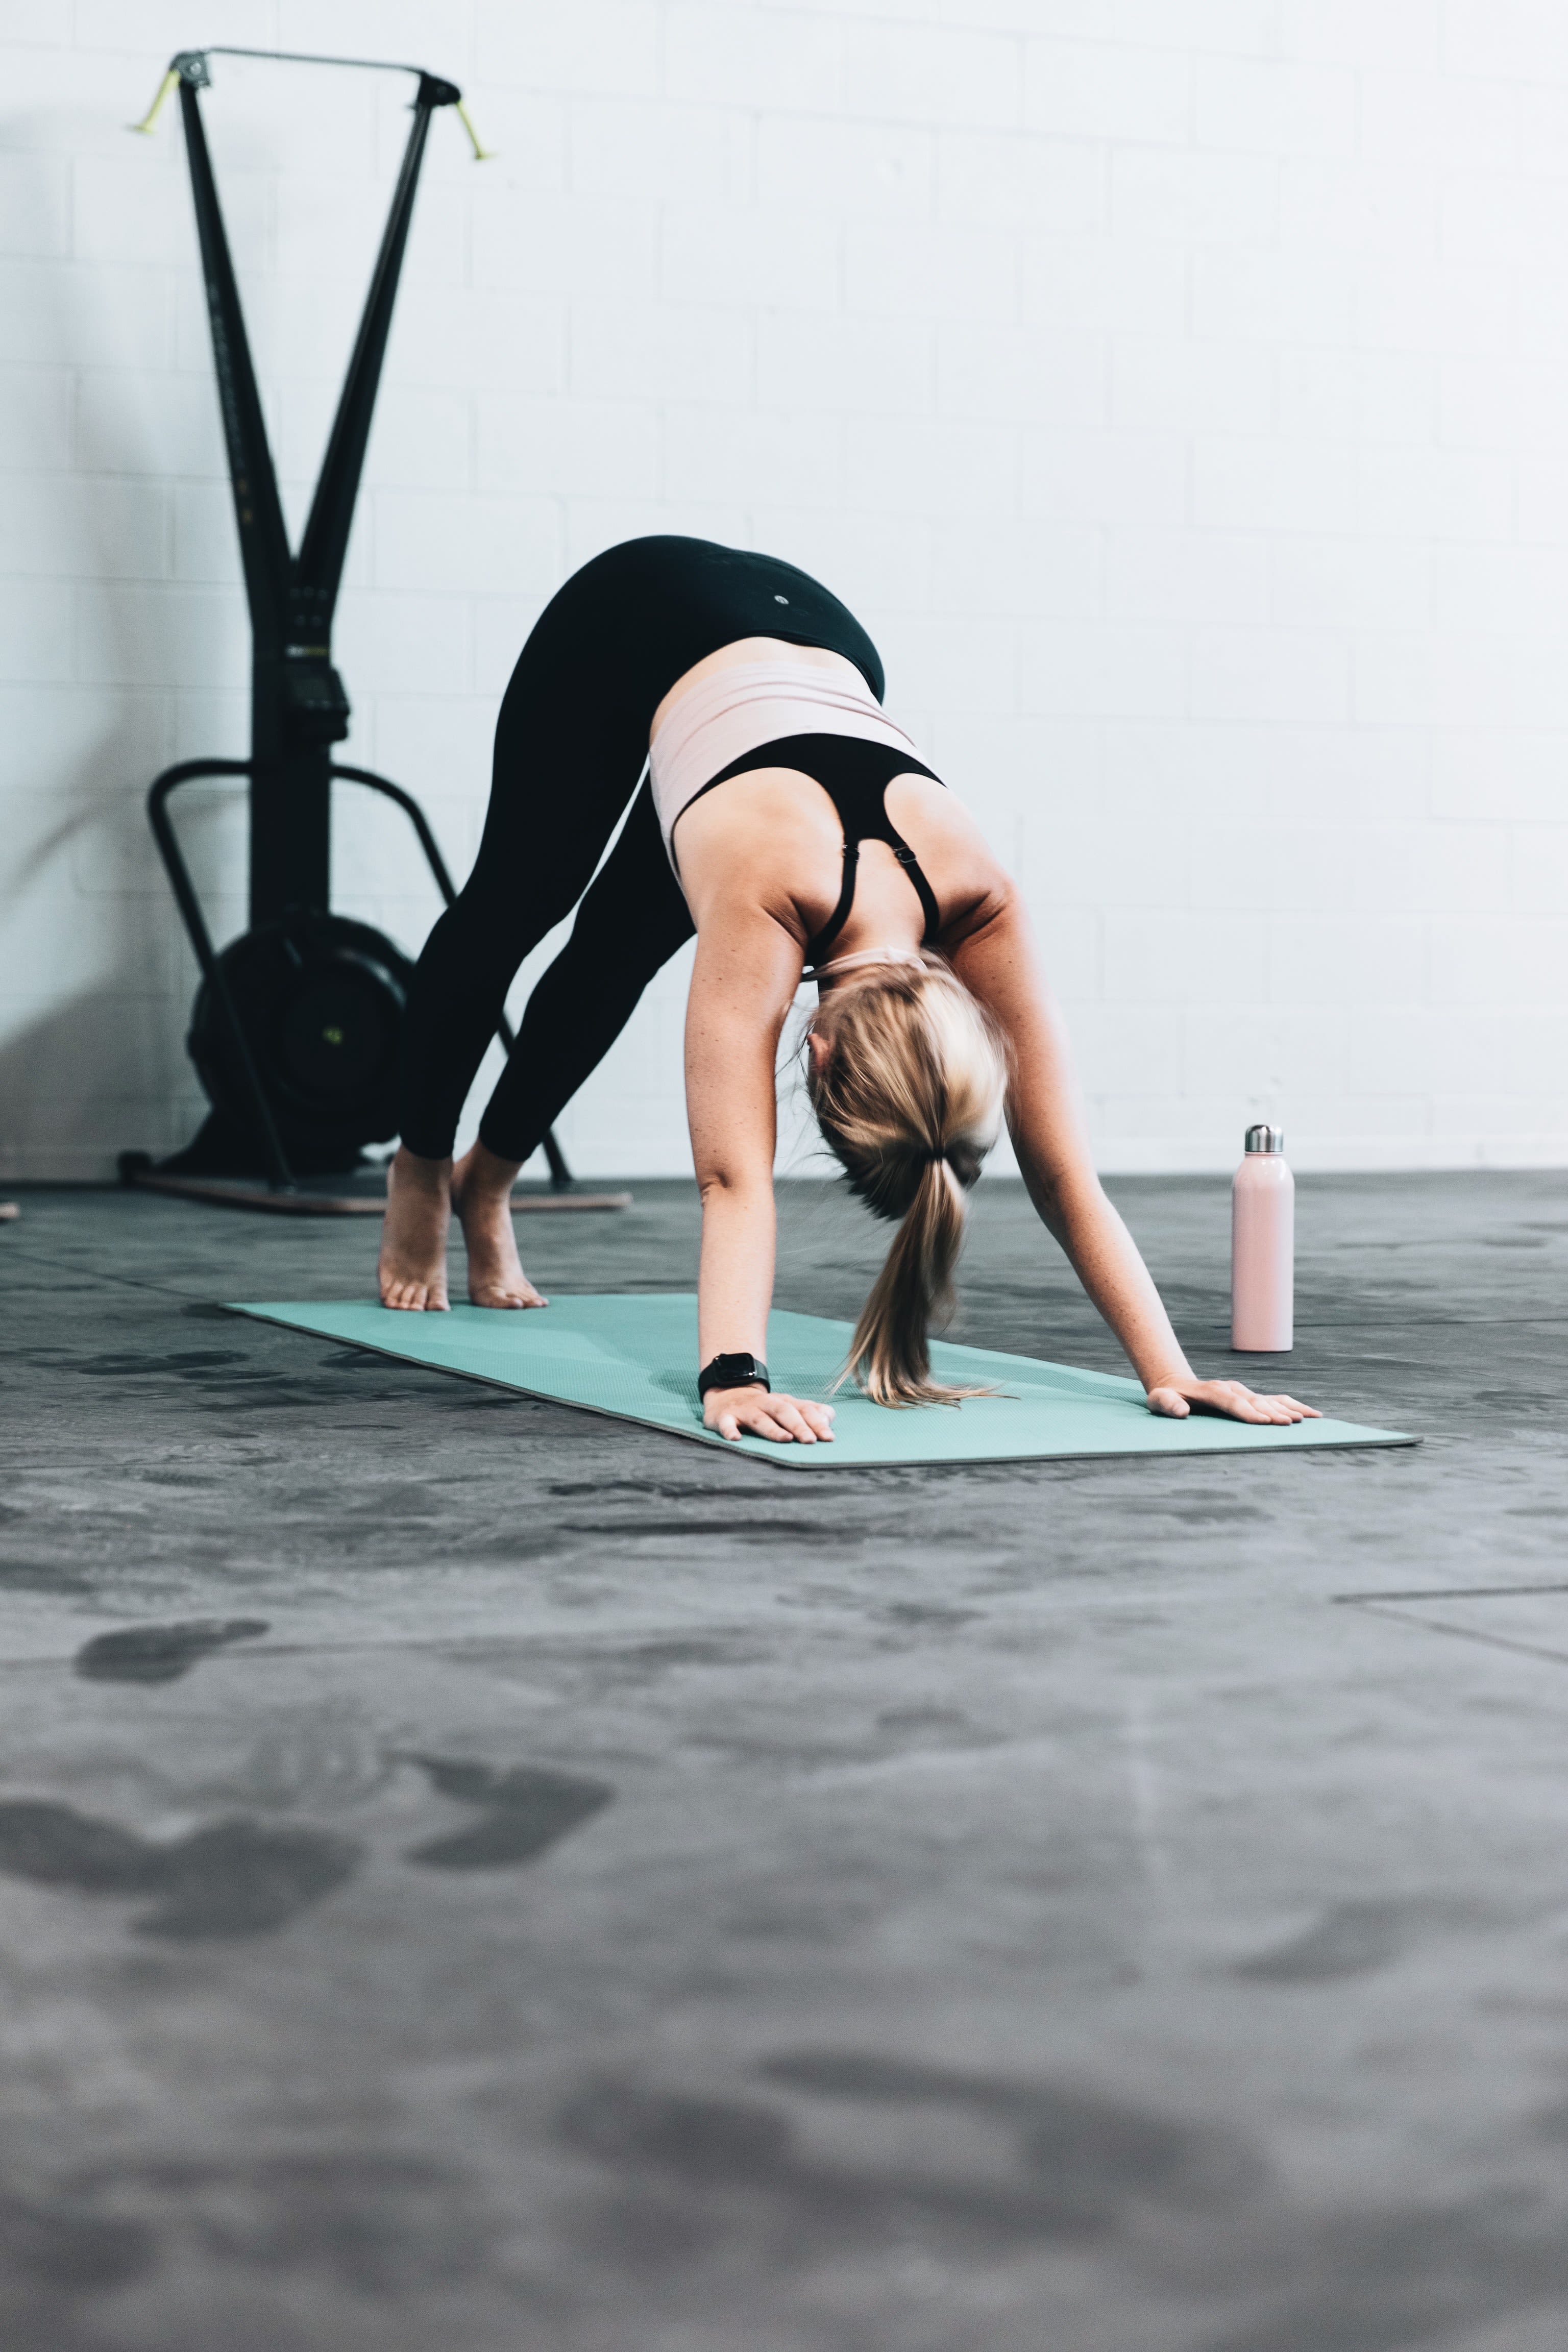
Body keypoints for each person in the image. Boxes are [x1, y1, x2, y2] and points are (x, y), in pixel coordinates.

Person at [379, 534, 1317, 1447]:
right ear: (817, 1053)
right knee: (519, 901)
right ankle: (420, 1170)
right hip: (636, 615)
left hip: (821, 642)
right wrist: (732, 1378)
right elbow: (732, 1179)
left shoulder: (979, 899)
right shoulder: (782, 896)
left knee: (614, 956)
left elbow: (1063, 1170)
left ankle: (487, 1184)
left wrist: (1171, 1369)